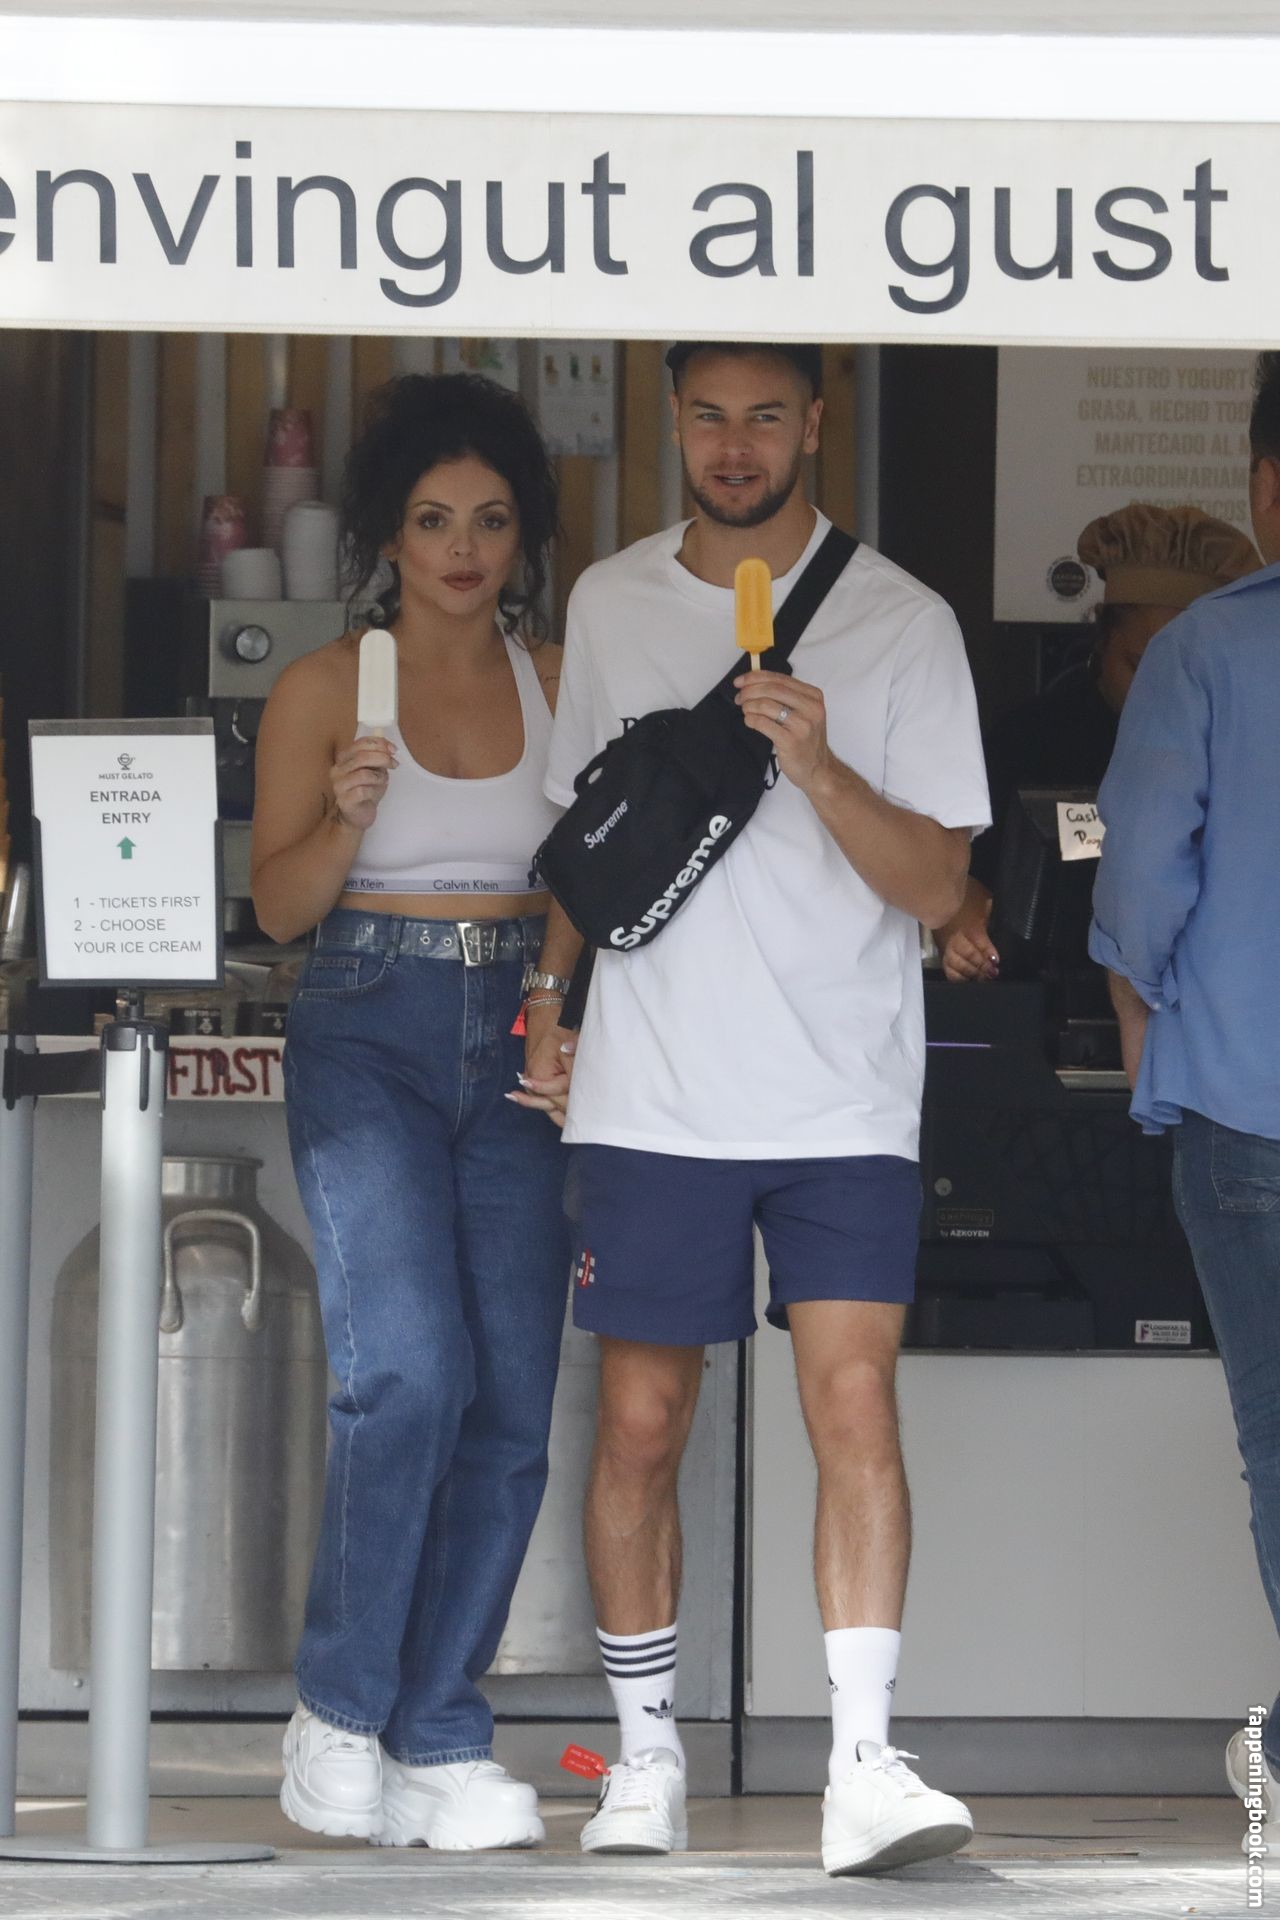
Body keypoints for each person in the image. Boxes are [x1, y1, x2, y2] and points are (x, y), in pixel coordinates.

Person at [513, 341, 991, 1876]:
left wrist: (820, 762)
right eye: (710, 416)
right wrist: (551, 1001)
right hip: (655, 1086)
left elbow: (942, 887)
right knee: (640, 1422)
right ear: (672, 423)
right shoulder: (611, 603)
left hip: (843, 1089)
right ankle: (645, 1758)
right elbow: (586, 836)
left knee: (853, 1406)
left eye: (766, 416)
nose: (735, 446)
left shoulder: (903, 619)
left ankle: (862, 1763)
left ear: (816, 425)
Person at [251, 372, 569, 1850]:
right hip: (365, 1019)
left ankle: (440, 1730)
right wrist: (346, 815)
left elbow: (587, 877)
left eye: (490, 522)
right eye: (435, 521)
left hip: (517, 1025)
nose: (462, 549)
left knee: (510, 1399)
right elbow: (278, 905)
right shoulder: (326, 687)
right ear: (389, 532)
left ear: (522, 537)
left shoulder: (558, 678)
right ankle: (339, 1710)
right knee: (411, 1374)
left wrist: (558, 1003)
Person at [1089, 351, 1280, 1858]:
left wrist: (1141, 1018)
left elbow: (1143, 876)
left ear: (1264, 487)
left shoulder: (1207, 652)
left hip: (1246, 1110)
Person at [941, 505, 1259, 983]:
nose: (1159, 692)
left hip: (1193, 993)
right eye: (1139, 665)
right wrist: (965, 937)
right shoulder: (1028, 738)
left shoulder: (1243, 750)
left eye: (1184, 674)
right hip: (1044, 995)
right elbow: (960, 874)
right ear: (1102, 640)